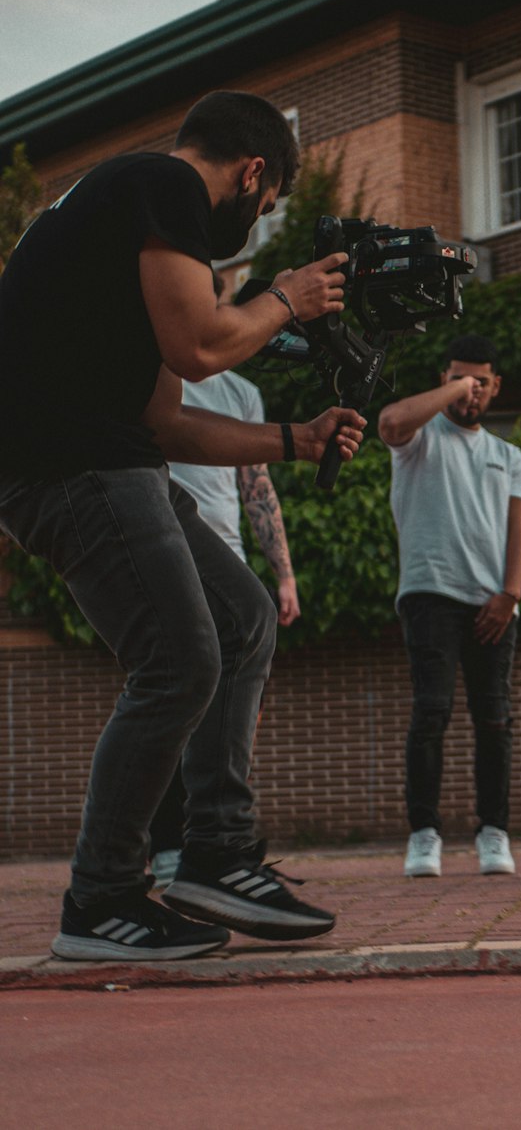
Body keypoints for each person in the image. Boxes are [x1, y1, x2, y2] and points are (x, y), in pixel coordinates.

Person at [0, 90, 365, 961]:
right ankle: (103, 898)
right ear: (252, 173)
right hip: (67, 464)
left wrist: (295, 438)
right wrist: (288, 295)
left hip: (113, 454)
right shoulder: (161, 183)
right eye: (267, 206)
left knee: (240, 619)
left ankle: (217, 854)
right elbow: (204, 346)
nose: (257, 220)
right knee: (178, 659)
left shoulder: (124, 223)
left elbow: (168, 418)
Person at [379, 334, 521, 878]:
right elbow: (390, 422)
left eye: (481, 382)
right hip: (430, 593)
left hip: (493, 601)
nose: (471, 392)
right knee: (432, 713)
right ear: (444, 380)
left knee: (494, 719)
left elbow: (518, 529)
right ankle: (424, 834)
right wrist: (450, 391)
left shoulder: (508, 454)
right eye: (460, 380)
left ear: (496, 387)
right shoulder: (421, 439)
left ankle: (494, 832)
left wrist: (510, 595)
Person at [148, 362, 302, 890]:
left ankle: (208, 842)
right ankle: (169, 841)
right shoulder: (159, 375)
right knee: (180, 695)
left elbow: (256, 484)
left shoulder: (242, 392)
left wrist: (283, 574)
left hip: (226, 559)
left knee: (233, 709)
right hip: (166, 547)